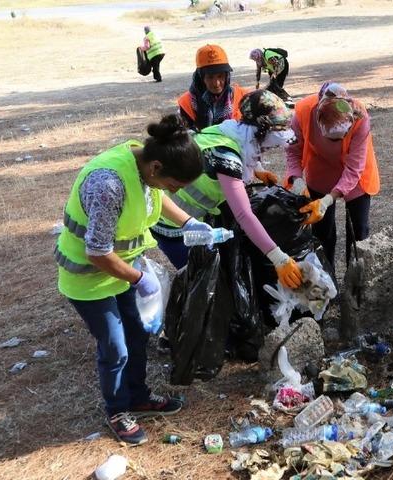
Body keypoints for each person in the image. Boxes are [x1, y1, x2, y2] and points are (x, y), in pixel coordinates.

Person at [55, 114, 211, 445]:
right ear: (157, 168)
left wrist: (188, 223)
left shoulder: (144, 162)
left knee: (136, 336)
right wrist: (140, 278)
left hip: (122, 271)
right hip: (88, 279)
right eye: (174, 185)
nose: (174, 191)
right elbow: (97, 251)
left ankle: (138, 396)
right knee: (114, 347)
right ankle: (117, 408)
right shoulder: (108, 184)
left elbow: (157, 196)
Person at [152, 90, 303, 289]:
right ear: (259, 132)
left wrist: (257, 170)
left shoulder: (227, 131)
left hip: (188, 220)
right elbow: (243, 214)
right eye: (268, 145)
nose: (267, 150)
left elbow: (246, 146)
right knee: (202, 284)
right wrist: (279, 258)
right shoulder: (226, 158)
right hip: (173, 226)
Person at [285, 82, 380, 272]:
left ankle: (356, 283)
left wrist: (329, 199)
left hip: (356, 175)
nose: (335, 143)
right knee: (323, 232)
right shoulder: (303, 111)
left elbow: (354, 169)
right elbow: (293, 152)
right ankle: (328, 281)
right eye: (331, 138)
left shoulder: (359, 115)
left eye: (339, 138)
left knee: (359, 232)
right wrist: (296, 180)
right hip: (320, 169)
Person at [178, 44, 250, 131]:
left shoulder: (244, 97)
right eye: (210, 77)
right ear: (201, 78)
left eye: (220, 76)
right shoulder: (187, 102)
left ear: (227, 76)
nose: (216, 83)